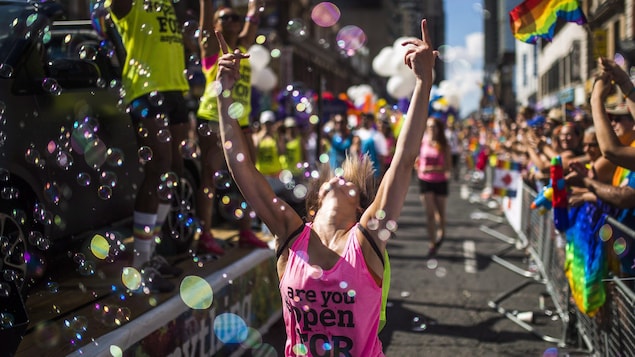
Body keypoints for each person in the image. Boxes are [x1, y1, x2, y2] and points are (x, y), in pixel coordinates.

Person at [214, 18, 437, 356]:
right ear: (314, 206)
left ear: (361, 210)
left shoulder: (367, 240)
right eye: (333, 179)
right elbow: (241, 169)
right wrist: (224, 93)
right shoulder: (291, 235)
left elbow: (403, 161)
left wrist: (424, 81)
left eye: (347, 182)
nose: (336, 178)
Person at [109, 0, 189, 292]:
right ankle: (139, 264)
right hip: (146, 89)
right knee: (158, 167)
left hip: (175, 88)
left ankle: (151, 254)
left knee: (175, 169)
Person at [194, 0, 267, 255]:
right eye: (225, 18)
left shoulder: (242, 48)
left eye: (236, 18)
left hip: (241, 119)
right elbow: (204, 26)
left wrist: (253, 9)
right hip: (213, 117)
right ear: (216, 24)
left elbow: (252, 22)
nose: (233, 22)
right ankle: (204, 234)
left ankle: (246, 231)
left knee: (250, 176)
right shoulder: (213, 46)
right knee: (210, 176)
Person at [416, 117, 451, 257]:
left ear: (439, 129)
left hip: (440, 181)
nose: (431, 129)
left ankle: (441, 230)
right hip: (425, 181)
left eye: (434, 126)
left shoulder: (444, 145)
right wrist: (417, 166)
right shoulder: (423, 142)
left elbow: (448, 167)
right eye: (429, 126)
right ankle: (432, 243)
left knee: (440, 214)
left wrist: (430, 169)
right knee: (430, 214)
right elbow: (418, 160)